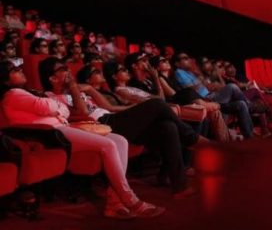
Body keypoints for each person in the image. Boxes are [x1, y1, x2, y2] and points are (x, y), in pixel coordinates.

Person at [0, 60, 165, 219]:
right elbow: (50, 106)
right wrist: (55, 108)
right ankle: (129, 198)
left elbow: (61, 109)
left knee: (120, 140)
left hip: (62, 128)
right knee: (108, 144)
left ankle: (114, 204)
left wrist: (56, 108)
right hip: (51, 133)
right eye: (14, 71)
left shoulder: (26, 93)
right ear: (5, 80)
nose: (21, 71)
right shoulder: (12, 94)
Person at [40, 57, 208, 197]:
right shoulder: (50, 97)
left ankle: (177, 184)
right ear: (52, 78)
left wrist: (140, 110)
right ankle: (192, 139)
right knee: (157, 104)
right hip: (100, 126)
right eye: (63, 69)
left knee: (167, 125)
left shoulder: (79, 91)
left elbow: (111, 108)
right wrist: (75, 88)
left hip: (113, 118)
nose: (68, 71)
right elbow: (83, 113)